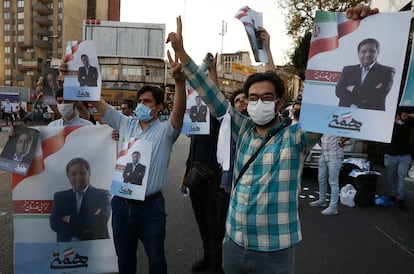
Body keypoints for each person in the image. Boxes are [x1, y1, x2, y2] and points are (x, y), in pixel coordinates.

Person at [167, 5, 376, 273]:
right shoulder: (241, 129)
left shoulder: (297, 136)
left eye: (267, 98)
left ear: (279, 103)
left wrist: (362, 29)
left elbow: (332, 98)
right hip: (232, 244)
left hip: (273, 253)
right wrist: (183, 52)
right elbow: (209, 92)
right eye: (252, 98)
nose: (258, 103)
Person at [90, 50, 186, 274]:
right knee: (124, 259)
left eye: (147, 101)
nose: (142, 105)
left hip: (150, 208)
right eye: (140, 101)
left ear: (159, 107)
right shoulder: (125, 124)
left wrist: (179, 82)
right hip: (121, 206)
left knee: (156, 259)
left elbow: (179, 111)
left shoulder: (166, 132)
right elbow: (96, 100)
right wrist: (76, 76)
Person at [50, 157, 111, 242]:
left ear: (89, 173)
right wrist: (86, 228)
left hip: (95, 247)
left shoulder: (103, 195)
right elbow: (55, 224)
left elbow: (100, 221)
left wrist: (69, 219)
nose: (78, 177)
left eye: (82, 173)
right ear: (68, 176)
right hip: (67, 249)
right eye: (74, 174)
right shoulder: (59, 197)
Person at [335, 38, 395, 111]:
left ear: (377, 52)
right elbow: (339, 91)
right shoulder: (348, 70)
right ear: (358, 53)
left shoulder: (387, 71)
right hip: (345, 113)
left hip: (372, 115)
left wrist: (352, 89)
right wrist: (368, 93)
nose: (368, 54)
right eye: (363, 51)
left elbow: (378, 96)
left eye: (372, 51)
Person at [309, 134, 349, 215]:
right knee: (321, 178)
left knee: (333, 181)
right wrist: (320, 142)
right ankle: (322, 200)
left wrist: (343, 140)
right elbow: (317, 133)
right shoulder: (325, 124)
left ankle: (333, 207)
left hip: (335, 155)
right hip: (324, 154)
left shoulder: (339, 123)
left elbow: (351, 131)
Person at [384, 108, 414, 210]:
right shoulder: (388, 124)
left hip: (404, 155)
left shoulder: (408, 123)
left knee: (401, 176)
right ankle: (392, 194)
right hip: (391, 154)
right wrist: (395, 122)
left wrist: (408, 116)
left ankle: (401, 198)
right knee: (390, 176)